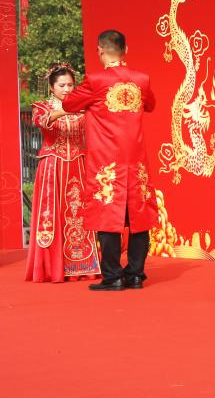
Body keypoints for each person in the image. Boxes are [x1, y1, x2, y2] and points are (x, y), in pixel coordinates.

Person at [62, 30, 159, 292]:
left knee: (107, 216)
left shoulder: (95, 81)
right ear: (125, 50)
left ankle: (113, 276)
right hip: (135, 161)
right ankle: (136, 275)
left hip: (107, 161)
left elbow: (69, 104)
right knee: (139, 217)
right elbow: (150, 105)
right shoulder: (141, 79)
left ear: (100, 50)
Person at [25, 63, 100, 282]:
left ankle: (82, 265)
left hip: (79, 166)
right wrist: (68, 108)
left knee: (79, 215)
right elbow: (43, 121)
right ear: (51, 87)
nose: (67, 89)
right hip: (52, 168)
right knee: (52, 217)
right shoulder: (42, 107)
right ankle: (52, 268)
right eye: (61, 85)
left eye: (70, 84)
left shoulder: (84, 107)